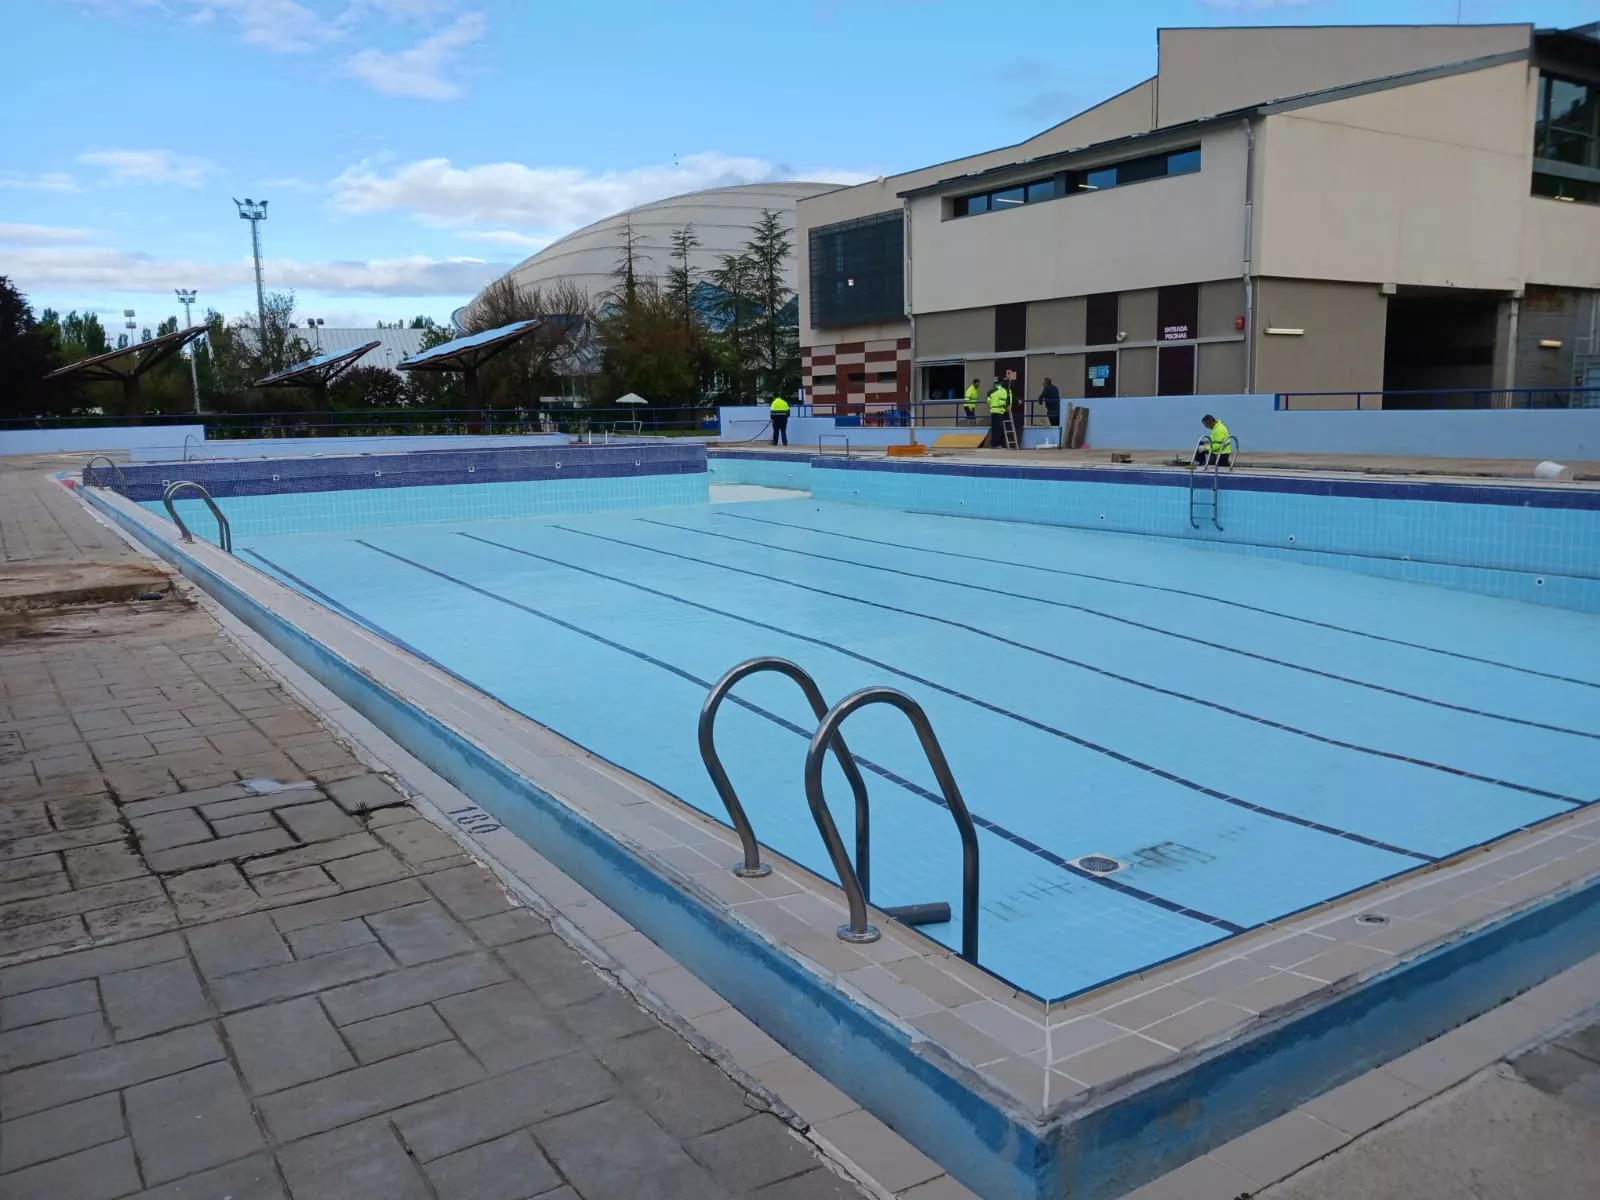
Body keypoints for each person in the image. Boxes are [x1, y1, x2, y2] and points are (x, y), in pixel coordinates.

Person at [987, 379, 1010, 448]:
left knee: (994, 428)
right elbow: (1001, 402)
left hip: (993, 411)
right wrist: (1006, 405)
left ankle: (993, 443)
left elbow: (988, 400)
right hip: (999, 412)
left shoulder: (994, 390)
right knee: (999, 428)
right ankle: (997, 444)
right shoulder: (1003, 392)